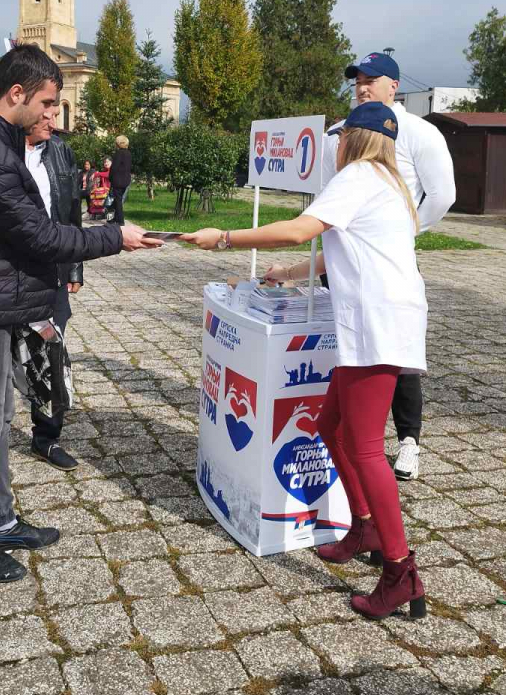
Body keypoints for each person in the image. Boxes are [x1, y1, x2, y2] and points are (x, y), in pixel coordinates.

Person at [0, 43, 161, 583]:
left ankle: (1, 520)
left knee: (1, 416)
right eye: (48, 102)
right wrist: (114, 237)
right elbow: (39, 232)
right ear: (17, 94)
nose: (53, 113)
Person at [183, 102, 427, 620]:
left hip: (376, 329)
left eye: (341, 137)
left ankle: (400, 571)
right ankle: (361, 527)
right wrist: (287, 273)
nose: (335, 146)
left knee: (364, 450)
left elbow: (299, 229)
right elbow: (331, 252)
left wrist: (223, 239)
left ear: (355, 140)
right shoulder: (387, 181)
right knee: (330, 427)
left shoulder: (359, 176)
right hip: (377, 324)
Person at [319, 51, 455, 482]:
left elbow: (442, 194)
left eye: (371, 80)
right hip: (344, 257)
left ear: (394, 86)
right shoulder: (338, 133)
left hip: (389, 259)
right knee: (350, 348)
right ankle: (349, 437)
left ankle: (407, 441)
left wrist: (403, 233)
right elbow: (329, 192)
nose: (361, 87)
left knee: (395, 354)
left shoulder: (419, 132)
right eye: (357, 80)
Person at [21, 113, 85, 471]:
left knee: (51, 358)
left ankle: (46, 438)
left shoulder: (60, 151)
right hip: (4, 275)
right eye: (45, 105)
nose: (54, 116)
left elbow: (71, 212)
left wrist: (74, 265)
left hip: (52, 273)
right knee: (8, 358)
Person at [109, 135, 133, 226]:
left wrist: (110, 178)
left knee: (118, 200)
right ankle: (112, 218)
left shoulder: (118, 153)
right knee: (117, 200)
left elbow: (114, 168)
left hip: (118, 180)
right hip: (126, 180)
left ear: (118, 143)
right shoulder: (129, 153)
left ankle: (120, 220)